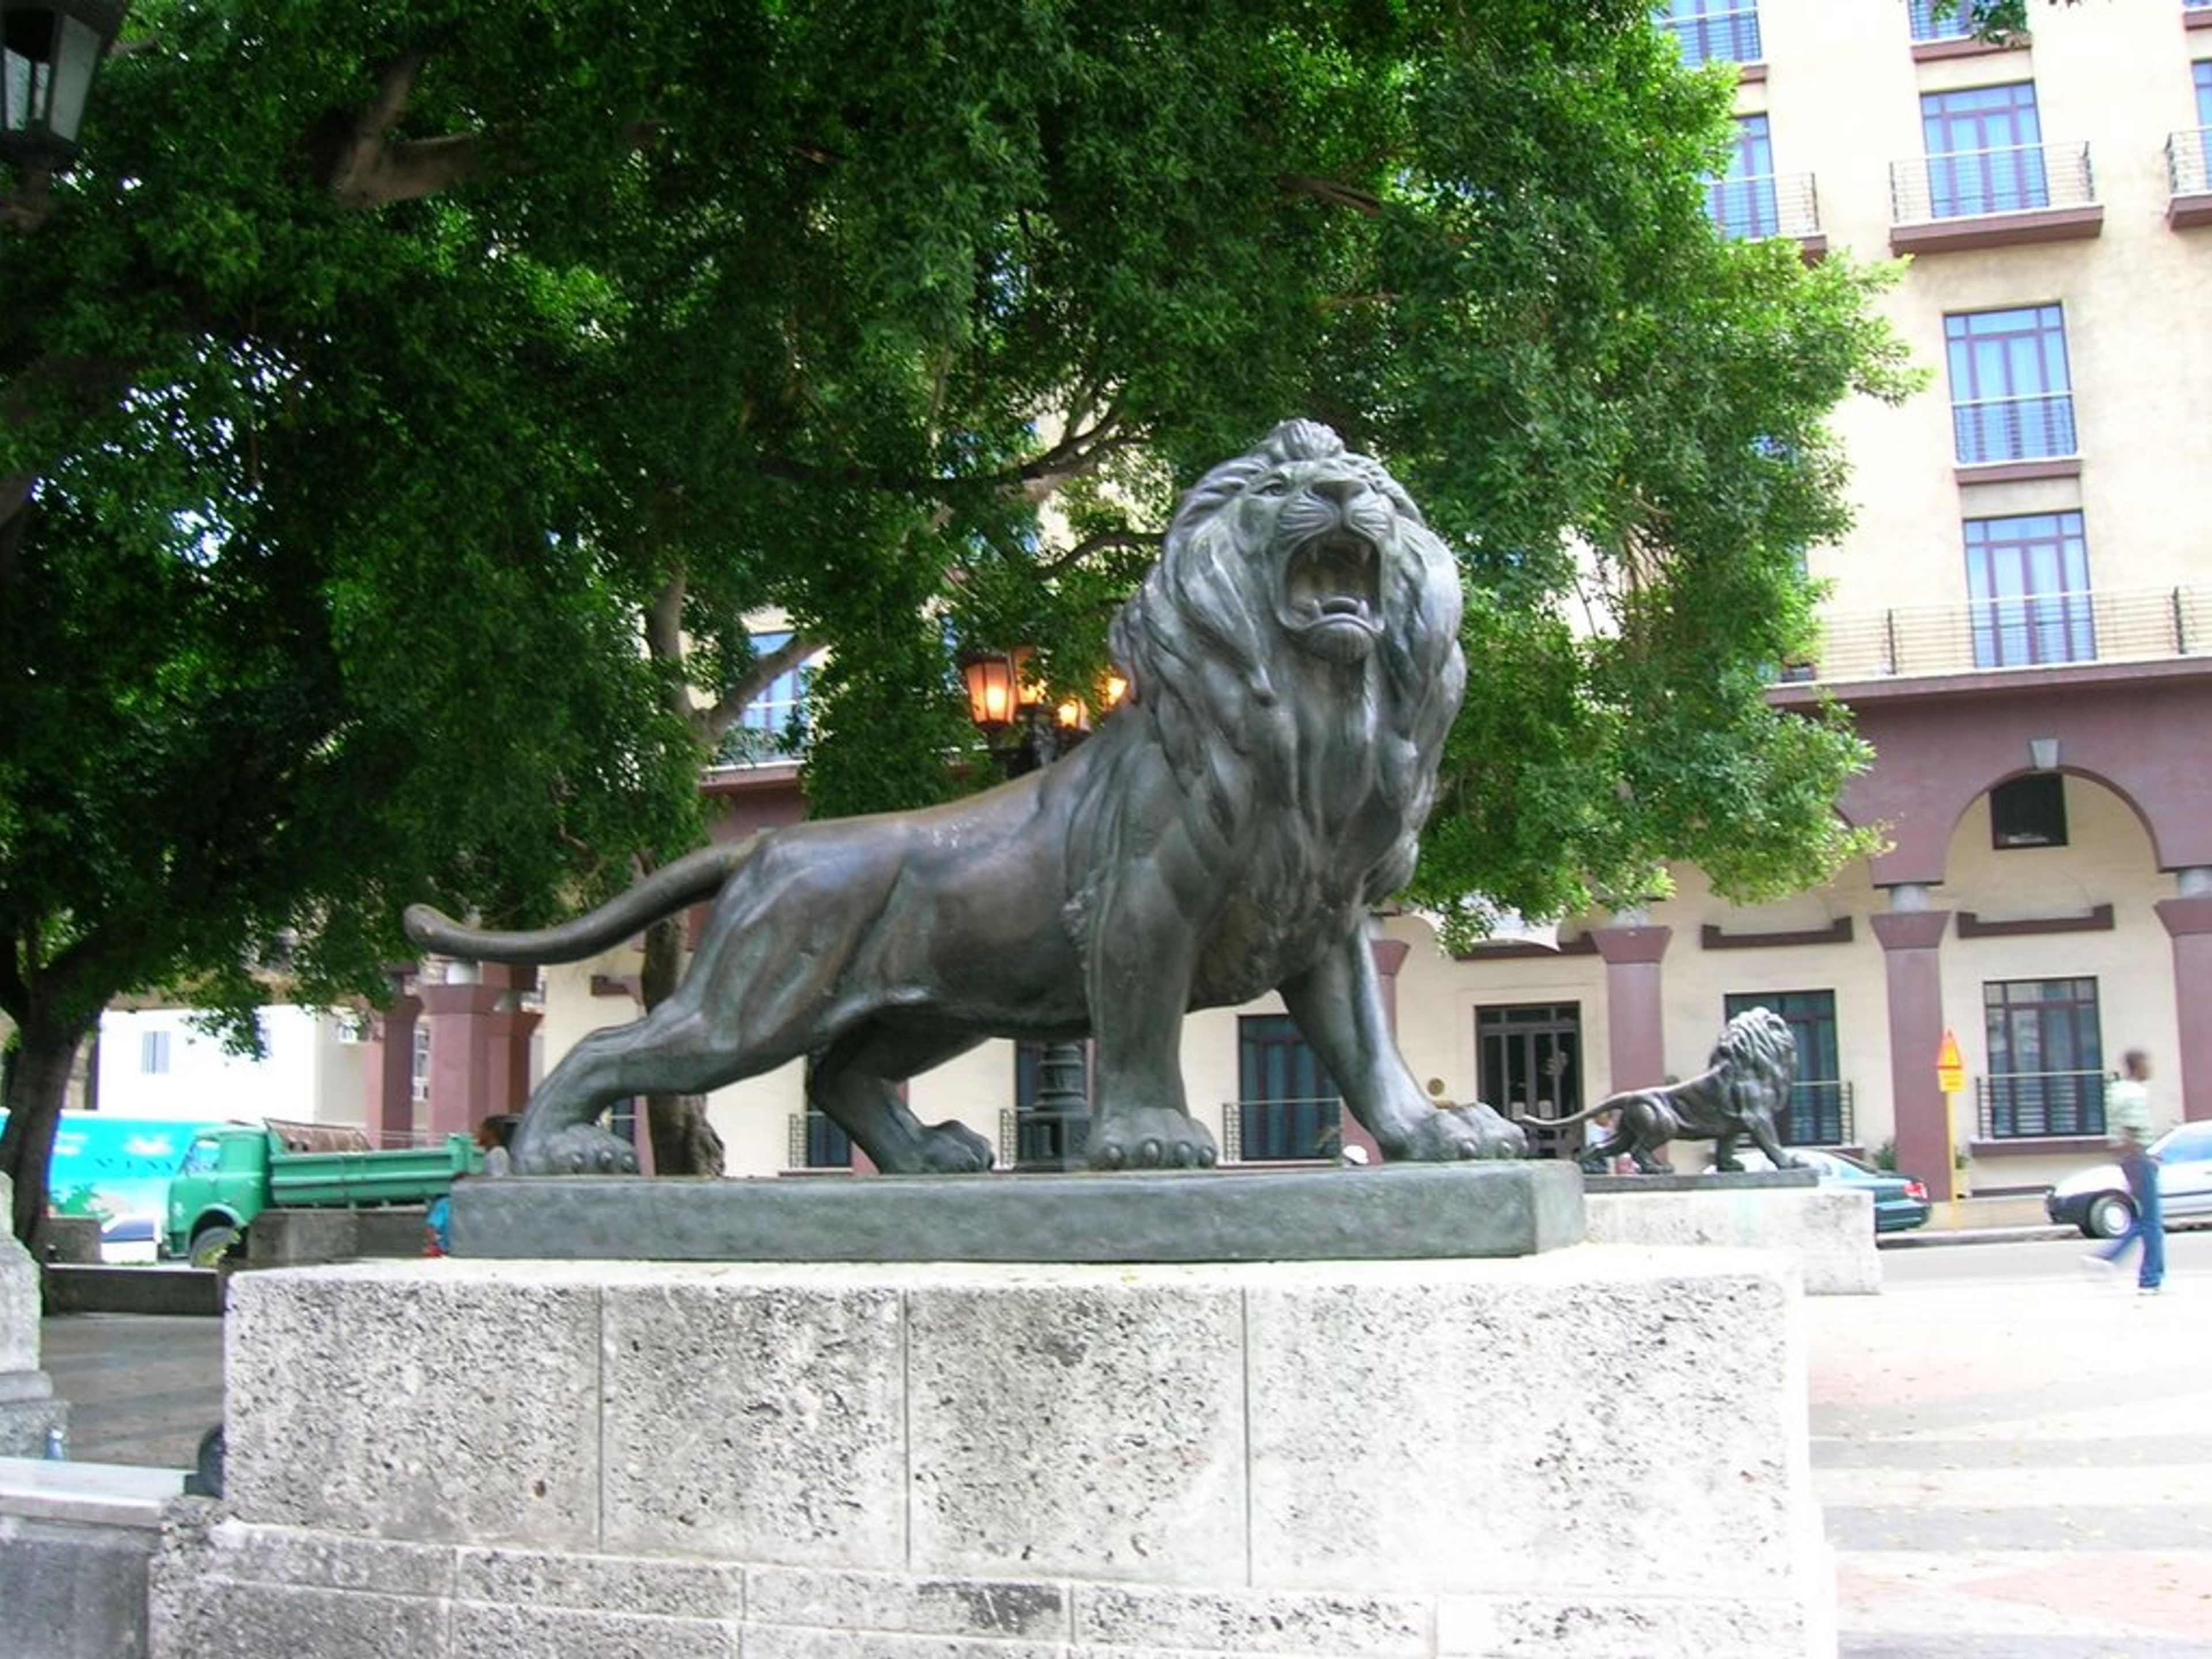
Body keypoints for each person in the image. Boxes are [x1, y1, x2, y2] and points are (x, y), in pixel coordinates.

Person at [2085, 1050, 2165, 1294]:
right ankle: (2150, 1280)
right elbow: (2131, 1131)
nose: (2150, 1068)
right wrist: (2142, 1158)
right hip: (2137, 1159)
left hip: (2131, 1159)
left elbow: (2121, 1134)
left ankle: (2108, 1259)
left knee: (2144, 1220)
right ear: (2137, 1066)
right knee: (2152, 1222)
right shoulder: (2135, 1094)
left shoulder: (2117, 1090)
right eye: (2147, 1063)